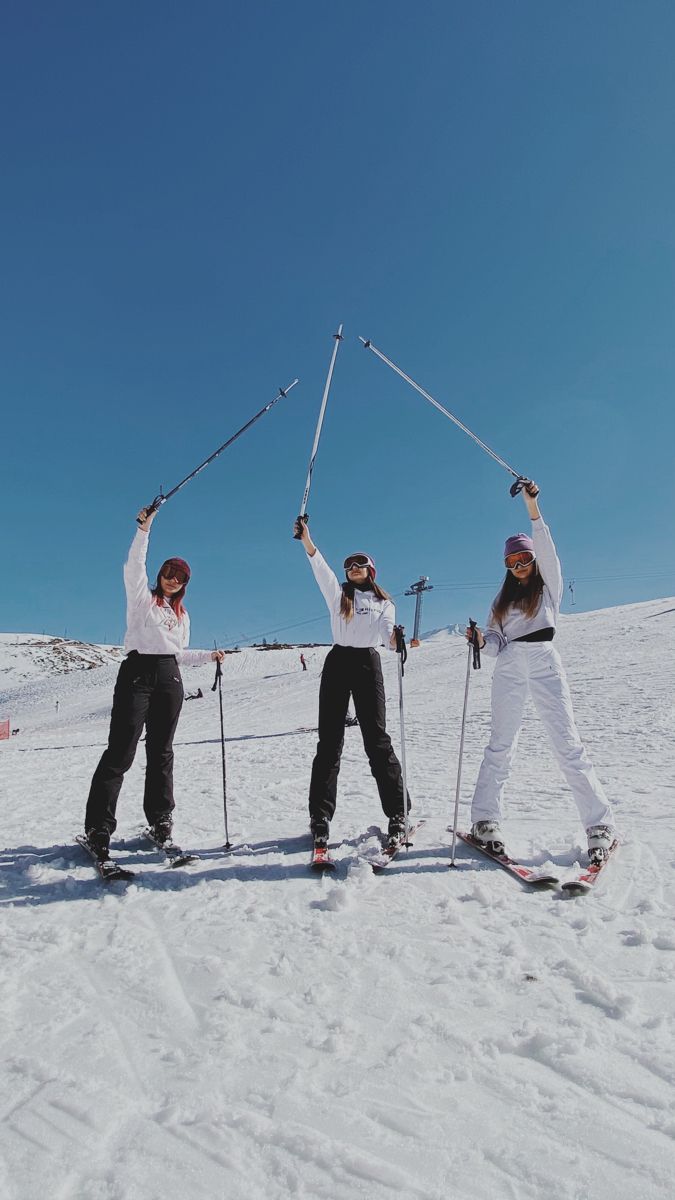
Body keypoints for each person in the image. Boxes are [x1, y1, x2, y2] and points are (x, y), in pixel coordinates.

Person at [466, 480, 616, 865]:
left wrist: (533, 508)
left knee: (567, 742)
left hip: (545, 659)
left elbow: (547, 547)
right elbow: (496, 641)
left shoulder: (548, 587)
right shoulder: (500, 601)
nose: (518, 567)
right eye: (512, 563)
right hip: (511, 664)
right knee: (501, 742)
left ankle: (600, 824)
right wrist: (482, 641)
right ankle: (485, 819)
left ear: (533, 561)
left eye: (524, 560)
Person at [82, 506, 224, 861]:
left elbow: (177, 654)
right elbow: (133, 567)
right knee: (121, 749)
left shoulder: (182, 615)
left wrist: (209, 657)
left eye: (181, 576)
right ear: (161, 573)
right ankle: (99, 827)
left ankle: (161, 822)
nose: (174, 579)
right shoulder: (143, 601)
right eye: (169, 572)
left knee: (162, 752)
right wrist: (144, 530)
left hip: (169, 678)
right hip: (137, 674)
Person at [294, 516, 410, 851]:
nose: (353, 567)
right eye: (349, 565)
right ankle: (320, 816)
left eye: (360, 564)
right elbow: (320, 568)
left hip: (367, 663)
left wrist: (396, 640)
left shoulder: (384, 602)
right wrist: (307, 539)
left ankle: (398, 812)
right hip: (338, 662)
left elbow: (388, 637)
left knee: (377, 740)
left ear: (371, 571)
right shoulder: (338, 596)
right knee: (329, 742)